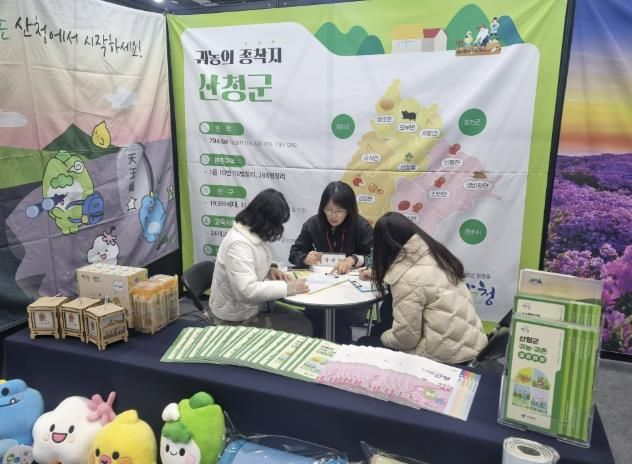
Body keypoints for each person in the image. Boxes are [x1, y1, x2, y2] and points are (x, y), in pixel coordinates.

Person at [358, 212, 487, 364]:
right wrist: (381, 274)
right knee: (381, 326)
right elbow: (423, 281)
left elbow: (406, 339)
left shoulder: (408, 277)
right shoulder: (432, 252)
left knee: (364, 342)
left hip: (444, 355)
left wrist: (382, 337)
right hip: (469, 343)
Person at [209, 189, 312, 336]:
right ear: (266, 220)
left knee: (300, 318)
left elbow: (255, 261)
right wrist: (287, 287)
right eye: (277, 223)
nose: (278, 228)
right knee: (302, 325)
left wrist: (271, 268)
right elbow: (247, 291)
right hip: (236, 320)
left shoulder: (250, 233)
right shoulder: (238, 244)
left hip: (253, 308)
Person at [288, 181, 373, 343]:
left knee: (340, 319)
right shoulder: (313, 224)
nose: (333, 216)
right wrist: (304, 258)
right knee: (315, 318)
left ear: (349, 209)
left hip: (350, 293)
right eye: (328, 209)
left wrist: (354, 259)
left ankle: (338, 352)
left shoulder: (361, 226)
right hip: (318, 289)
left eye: (340, 211)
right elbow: (294, 253)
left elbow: (374, 257)